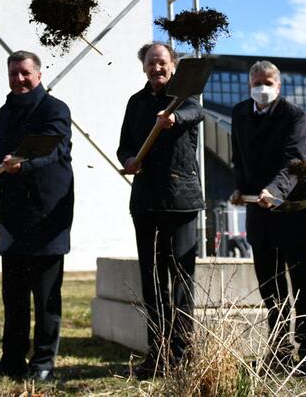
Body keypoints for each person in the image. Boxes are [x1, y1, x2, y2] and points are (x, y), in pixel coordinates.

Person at [0, 50, 73, 383]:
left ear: (39, 75)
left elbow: (55, 151)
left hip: (47, 214)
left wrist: (22, 165)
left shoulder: (55, 110)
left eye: (25, 73)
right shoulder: (4, 113)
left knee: (45, 296)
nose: (19, 79)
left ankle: (43, 361)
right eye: (13, 73)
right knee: (14, 295)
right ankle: (13, 359)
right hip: (13, 216)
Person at [228, 60, 306, 376]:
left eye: (267, 82)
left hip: (293, 212)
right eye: (256, 83)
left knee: (301, 286)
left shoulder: (293, 115)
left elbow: (296, 159)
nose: (262, 88)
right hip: (260, 215)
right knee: (271, 288)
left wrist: (274, 190)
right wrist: (241, 189)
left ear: (278, 86)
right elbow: (238, 158)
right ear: (249, 86)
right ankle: (280, 350)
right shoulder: (240, 114)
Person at [117, 42, 203, 377]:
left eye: (162, 62)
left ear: (173, 65)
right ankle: (158, 355)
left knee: (181, 281)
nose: (157, 68)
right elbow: (125, 143)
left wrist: (174, 117)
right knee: (152, 282)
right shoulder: (136, 103)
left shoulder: (184, 96)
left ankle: (182, 355)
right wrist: (127, 159)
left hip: (181, 202)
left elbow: (197, 114)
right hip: (146, 202)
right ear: (144, 67)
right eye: (151, 63)